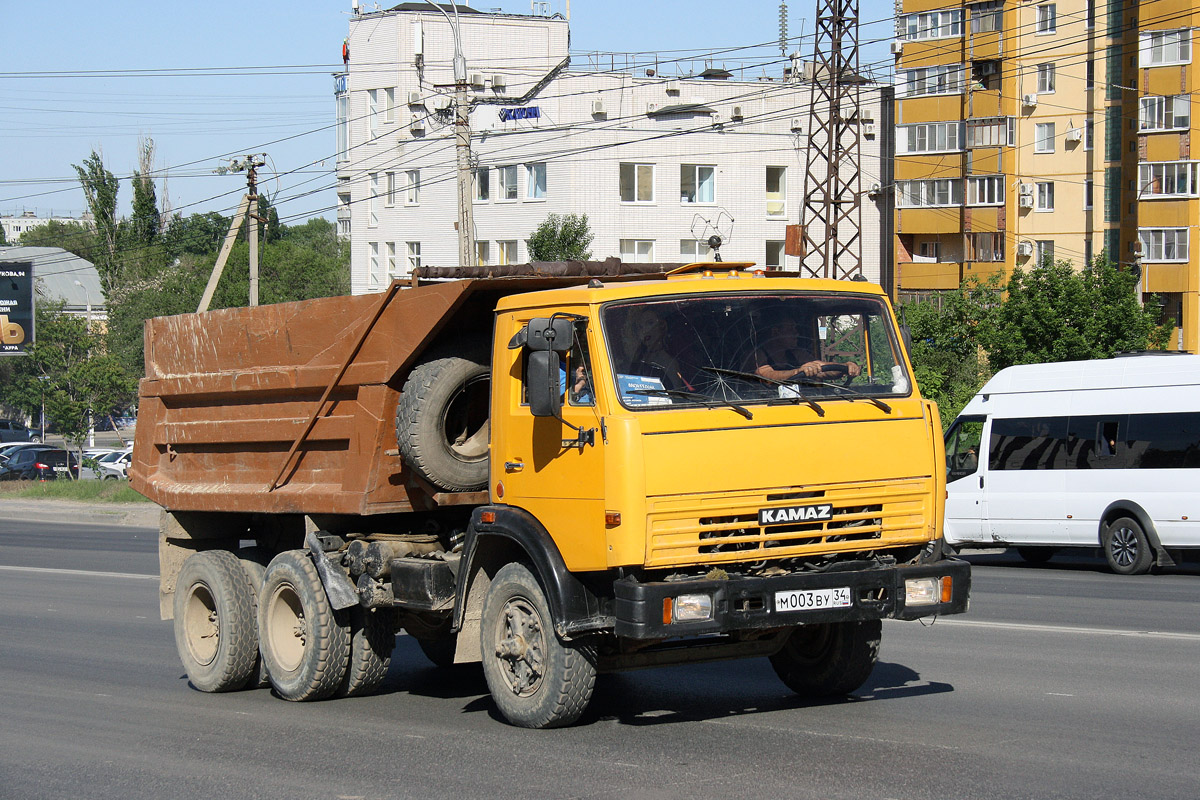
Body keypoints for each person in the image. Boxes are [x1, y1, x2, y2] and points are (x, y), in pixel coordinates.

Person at [752, 312, 860, 383]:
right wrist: (798, 372)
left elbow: (822, 368)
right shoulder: (757, 354)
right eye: (791, 329)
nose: (797, 333)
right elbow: (767, 376)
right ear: (776, 332)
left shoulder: (796, 353)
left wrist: (845, 367)